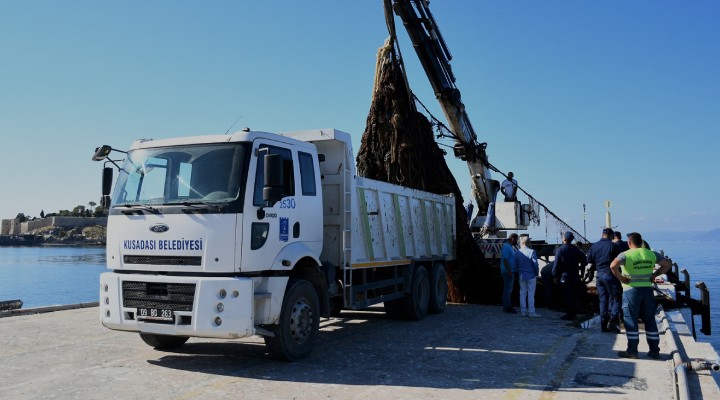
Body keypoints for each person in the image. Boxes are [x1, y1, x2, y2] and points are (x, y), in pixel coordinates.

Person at [610, 232, 672, 359]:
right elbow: (667, 264)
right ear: (641, 242)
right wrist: (655, 275)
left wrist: (621, 278)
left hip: (631, 291)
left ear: (629, 243)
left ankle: (632, 351)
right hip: (647, 290)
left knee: (631, 320)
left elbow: (613, 266)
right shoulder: (650, 253)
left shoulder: (626, 254)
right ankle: (654, 350)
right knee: (649, 319)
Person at [585, 228, 622, 333]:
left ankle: (603, 325)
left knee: (603, 299)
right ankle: (613, 321)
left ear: (602, 235)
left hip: (599, 276)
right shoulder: (614, 246)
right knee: (616, 298)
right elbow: (619, 262)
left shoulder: (594, 246)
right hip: (610, 275)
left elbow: (589, 261)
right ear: (611, 236)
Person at [552, 231, 587, 320]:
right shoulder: (576, 249)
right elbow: (585, 260)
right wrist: (580, 268)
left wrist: (555, 275)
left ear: (564, 239)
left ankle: (569, 314)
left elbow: (556, 264)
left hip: (565, 275)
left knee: (566, 294)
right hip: (574, 275)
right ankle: (573, 312)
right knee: (573, 294)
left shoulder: (560, 250)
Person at [516, 235, 540, 317]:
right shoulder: (532, 252)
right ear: (528, 243)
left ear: (521, 243)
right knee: (531, 294)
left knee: (522, 293)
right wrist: (536, 273)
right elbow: (535, 265)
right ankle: (531, 312)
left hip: (521, 275)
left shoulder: (517, 252)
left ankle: (523, 311)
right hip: (531, 275)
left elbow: (515, 264)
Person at [500, 233, 519, 313]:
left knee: (508, 289)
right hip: (507, 272)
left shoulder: (510, 247)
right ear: (512, 239)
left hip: (509, 271)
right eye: (516, 239)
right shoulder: (507, 247)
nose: (517, 241)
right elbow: (505, 259)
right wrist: (509, 271)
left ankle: (507, 305)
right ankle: (507, 306)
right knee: (507, 289)